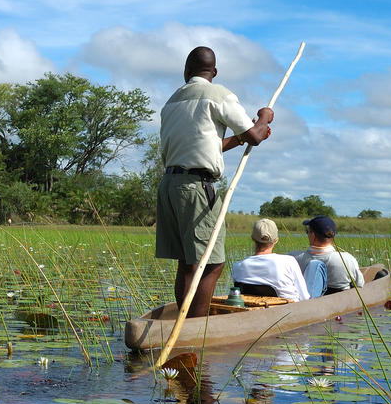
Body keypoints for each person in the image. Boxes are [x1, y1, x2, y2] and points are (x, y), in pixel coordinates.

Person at [156, 46, 274, 317]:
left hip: (170, 186)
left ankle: (185, 322)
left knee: (187, 263)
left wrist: (242, 137)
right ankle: (196, 326)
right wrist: (264, 117)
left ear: (186, 71)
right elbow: (255, 136)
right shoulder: (218, 94)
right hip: (197, 188)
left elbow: (209, 146)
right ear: (215, 72)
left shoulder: (172, 101)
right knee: (211, 264)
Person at [232, 218, 325, 301]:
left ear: (253, 238)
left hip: (258, 309)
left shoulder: (237, 266)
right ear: (276, 240)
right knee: (316, 264)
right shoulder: (288, 261)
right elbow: (304, 298)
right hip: (291, 310)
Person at [288, 215, 364, 294]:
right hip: (341, 300)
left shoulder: (292, 258)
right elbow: (360, 284)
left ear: (313, 235)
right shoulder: (347, 259)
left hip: (305, 300)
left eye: (308, 232)